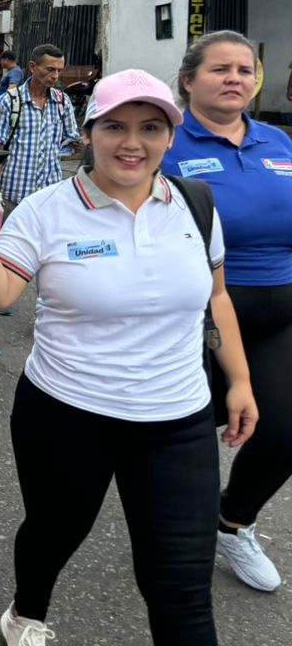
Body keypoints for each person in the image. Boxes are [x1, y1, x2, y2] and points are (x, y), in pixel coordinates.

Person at [0, 68, 258, 646]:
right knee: (53, 532)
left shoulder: (195, 203)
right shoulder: (46, 210)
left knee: (181, 591)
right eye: (114, 126)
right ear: (89, 131)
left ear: (172, 134)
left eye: (150, 127)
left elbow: (216, 297)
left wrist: (239, 380)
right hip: (65, 415)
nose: (132, 143)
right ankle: (25, 612)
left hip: (178, 421)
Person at [162, 31, 292, 593]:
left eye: (245, 69)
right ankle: (169, 534)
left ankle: (232, 524)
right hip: (200, 314)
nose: (235, 78)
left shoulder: (278, 143)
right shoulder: (167, 146)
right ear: (189, 80)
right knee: (182, 436)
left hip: (282, 309)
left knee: (285, 429)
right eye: (220, 69)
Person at [0, 43, 83, 216]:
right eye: (50, 69)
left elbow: (72, 140)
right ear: (33, 67)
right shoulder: (10, 100)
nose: (55, 76)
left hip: (50, 195)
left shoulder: (62, 102)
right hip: (14, 196)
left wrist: (83, 143)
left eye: (59, 71)